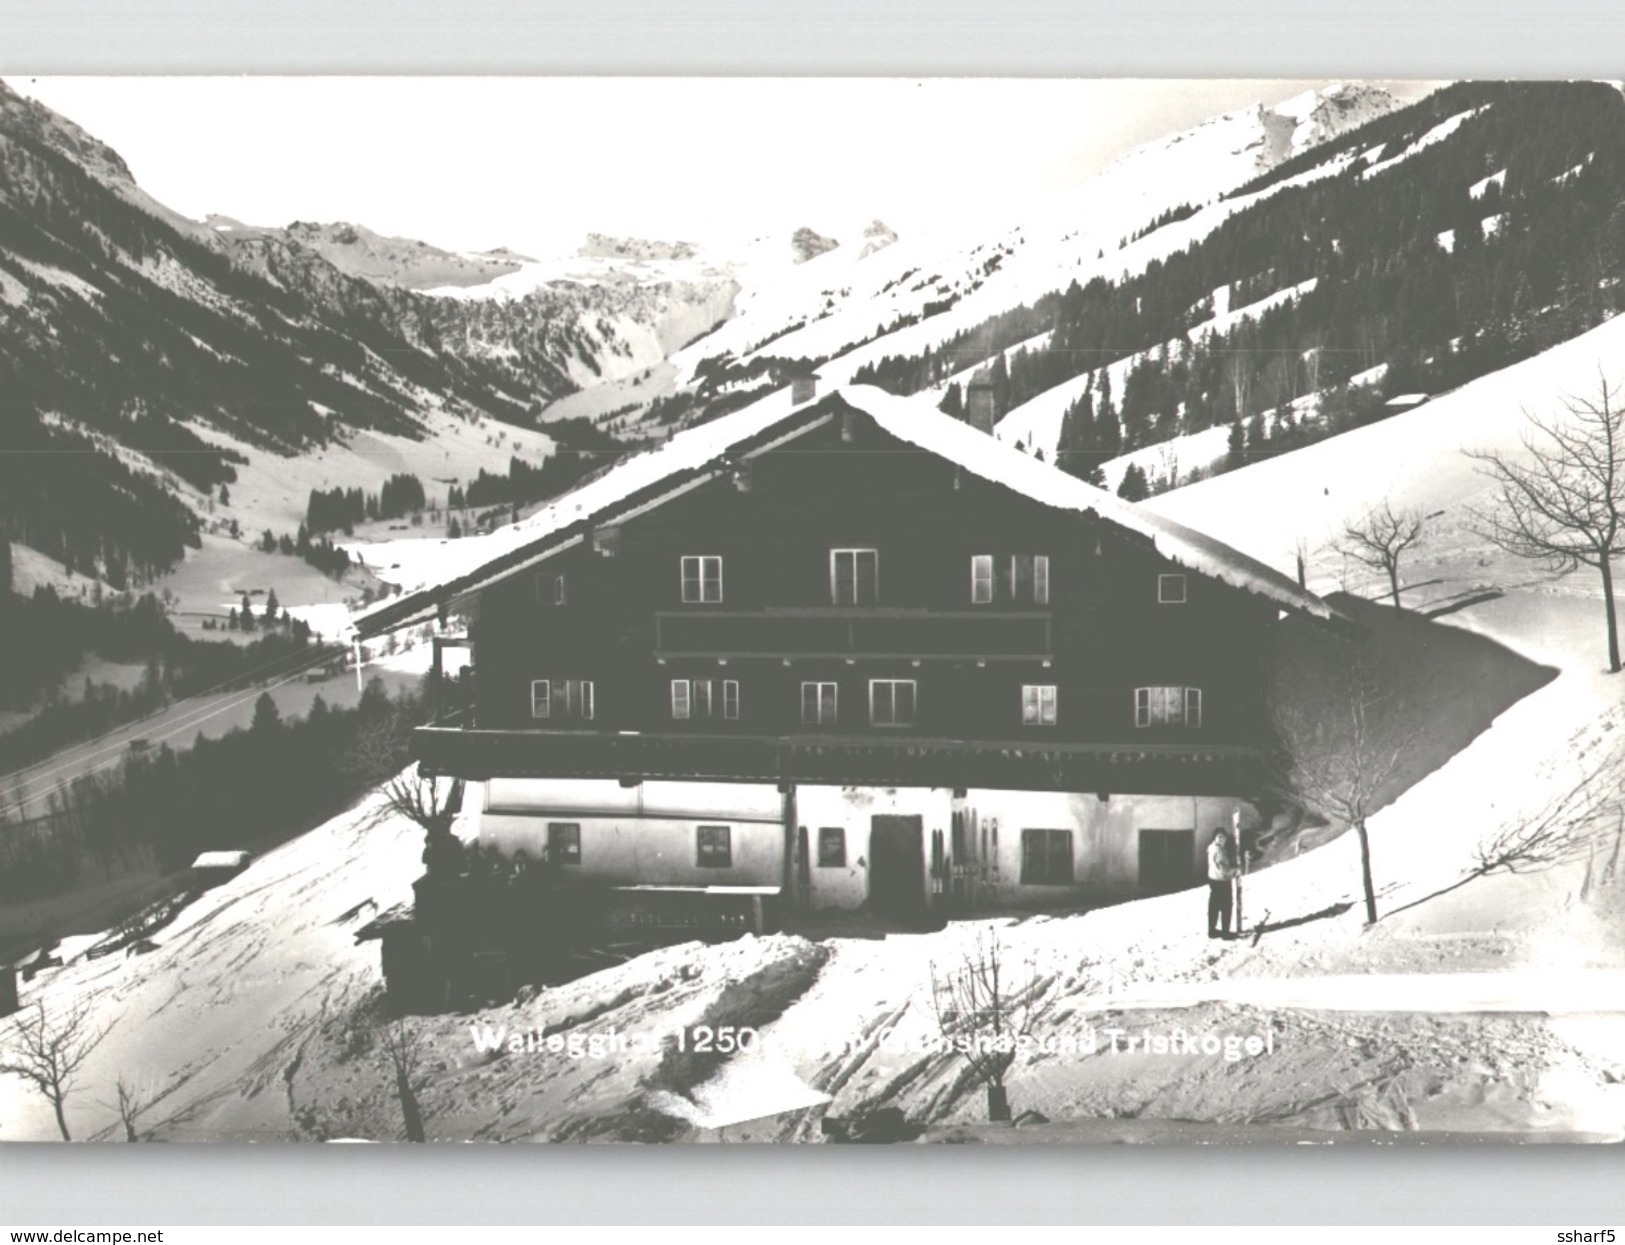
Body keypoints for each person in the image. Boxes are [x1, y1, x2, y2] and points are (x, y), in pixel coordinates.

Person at [1206, 828, 1239, 939]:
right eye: (1219, 837)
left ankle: (1212, 931)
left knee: (1214, 907)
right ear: (1214, 838)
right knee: (1226, 907)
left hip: (1213, 880)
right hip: (1222, 881)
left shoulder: (1211, 847)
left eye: (1223, 837)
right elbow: (1224, 870)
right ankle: (1225, 933)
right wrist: (1235, 870)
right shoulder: (1219, 851)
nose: (1222, 839)